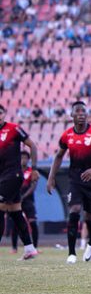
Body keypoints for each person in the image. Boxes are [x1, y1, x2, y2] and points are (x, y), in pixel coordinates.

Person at [47, 101, 91, 263]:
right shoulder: (67, 135)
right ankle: (71, 253)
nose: (81, 114)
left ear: (87, 114)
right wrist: (51, 177)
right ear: (72, 115)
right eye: (77, 112)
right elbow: (58, 156)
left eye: (83, 112)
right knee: (75, 210)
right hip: (75, 180)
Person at [0, 105, 39, 260]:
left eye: (0, 113)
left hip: (13, 175)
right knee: (15, 212)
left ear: (4, 114)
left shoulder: (14, 129)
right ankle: (30, 249)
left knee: (1, 209)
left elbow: (32, 146)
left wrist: (34, 169)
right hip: (2, 177)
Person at [9, 149, 40, 253]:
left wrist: (24, 196)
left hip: (28, 201)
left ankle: (35, 247)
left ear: (28, 159)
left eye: (25, 158)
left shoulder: (32, 171)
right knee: (16, 224)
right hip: (16, 200)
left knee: (33, 223)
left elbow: (33, 186)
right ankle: (14, 248)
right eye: (22, 158)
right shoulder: (15, 171)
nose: (23, 160)